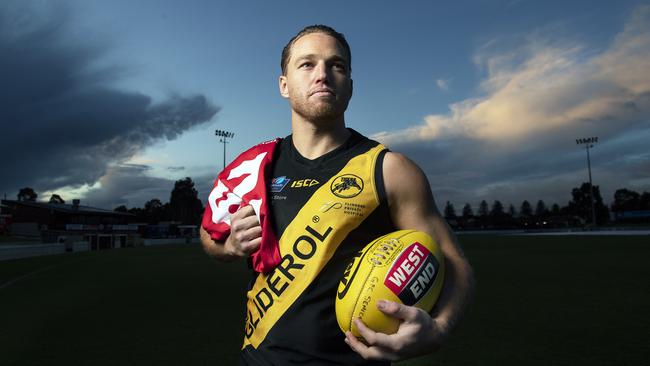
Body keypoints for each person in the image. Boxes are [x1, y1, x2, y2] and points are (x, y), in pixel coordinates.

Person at [200, 25, 474, 365]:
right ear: (283, 85)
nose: (323, 75)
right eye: (307, 64)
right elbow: (209, 235)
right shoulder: (256, 167)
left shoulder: (390, 170)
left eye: (337, 65)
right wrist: (228, 246)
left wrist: (440, 329)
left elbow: (454, 262)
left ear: (350, 86)